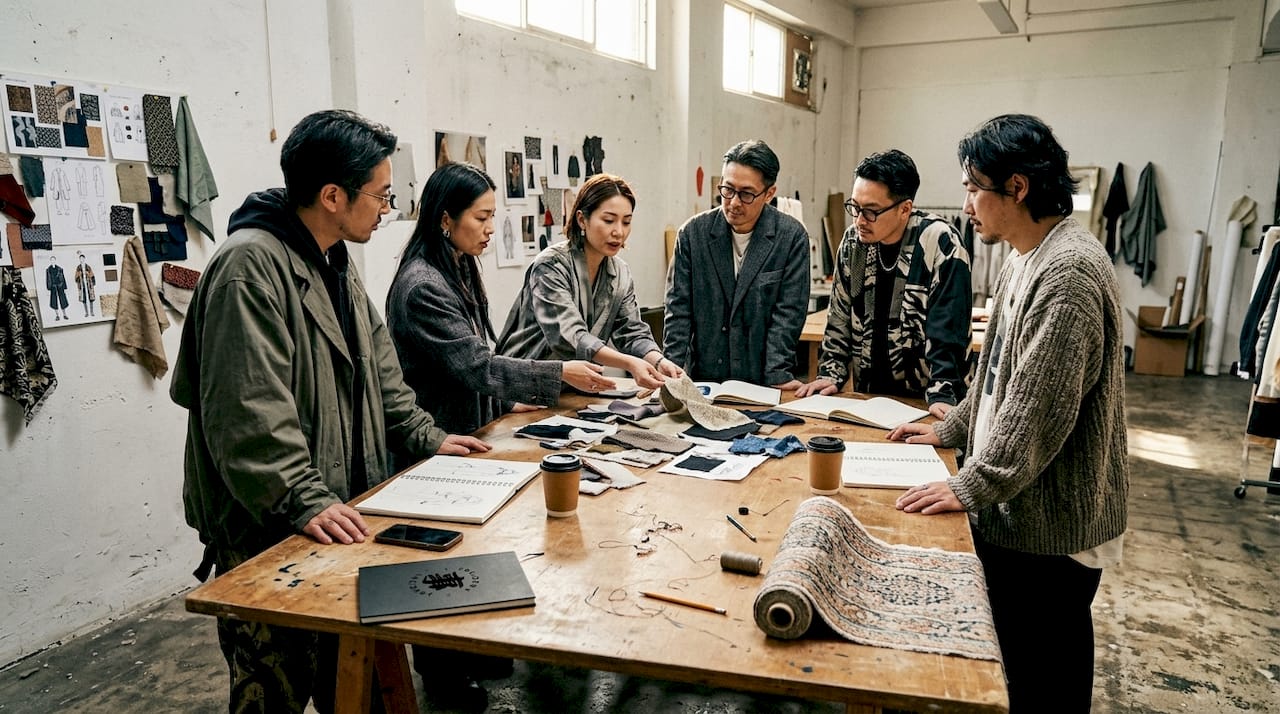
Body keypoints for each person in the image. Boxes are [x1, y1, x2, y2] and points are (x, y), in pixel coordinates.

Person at [170, 109, 490, 714]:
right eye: (382, 194)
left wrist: (428, 436)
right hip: (267, 523)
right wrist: (305, 497)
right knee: (273, 688)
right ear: (333, 195)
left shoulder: (334, 261)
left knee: (352, 679)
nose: (387, 208)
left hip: (335, 509)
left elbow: (382, 372)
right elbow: (248, 412)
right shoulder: (250, 268)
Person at [889, 114, 1128, 713]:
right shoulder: (1028, 255)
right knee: (1017, 666)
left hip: (1051, 523)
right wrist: (949, 428)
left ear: (1017, 188)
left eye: (974, 187)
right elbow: (995, 374)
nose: (966, 202)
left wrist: (971, 484)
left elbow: (1039, 413)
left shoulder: (1067, 271)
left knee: (1044, 674)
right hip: (1018, 505)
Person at [388, 162, 616, 436]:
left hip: (464, 428)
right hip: (436, 438)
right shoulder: (424, 286)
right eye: (481, 218)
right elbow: (474, 364)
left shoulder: (458, 265)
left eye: (493, 216)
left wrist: (503, 401)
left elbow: (461, 363)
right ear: (446, 220)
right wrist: (560, 372)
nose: (491, 228)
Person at [796, 150, 971, 418]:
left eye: (871, 212)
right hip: (870, 398)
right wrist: (831, 373)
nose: (859, 220)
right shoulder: (854, 243)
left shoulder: (940, 243)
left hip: (929, 401)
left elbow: (949, 330)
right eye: (855, 207)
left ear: (905, 209)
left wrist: (942, 393)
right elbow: (839, 315)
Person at [496, 173, 682, 388]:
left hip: (569, 389)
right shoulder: (551, 266)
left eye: (627, 222)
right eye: (609, 220)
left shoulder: (620, 273)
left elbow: (631, 331)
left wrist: (657, 360)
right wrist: (630, 364)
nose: (619, 232)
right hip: (519, 386)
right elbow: (569, 336)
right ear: (582, 220)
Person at [663, 139, 809, 389]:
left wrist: (776, 373)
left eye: (746, 194)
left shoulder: (791, 237)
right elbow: (678, 310)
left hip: (764, 379)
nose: (733, 202)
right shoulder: (693, 235)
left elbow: (788, 314)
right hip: (705, 377)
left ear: (769, 194)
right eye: (727, 190)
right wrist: (672, 373)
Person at [74, 251, 96, 317]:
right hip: (82, 285)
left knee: (91, 298)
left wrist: (92, 282)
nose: (81, 260)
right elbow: (76, 277)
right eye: (80, 259)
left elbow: (92, 275)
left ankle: (92, 312)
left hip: (88, 284)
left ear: (84, 259)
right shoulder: (78, 267)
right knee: (84, 299)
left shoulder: (88, 267)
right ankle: (86, 313)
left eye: (82, 258)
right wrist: (79, 279)